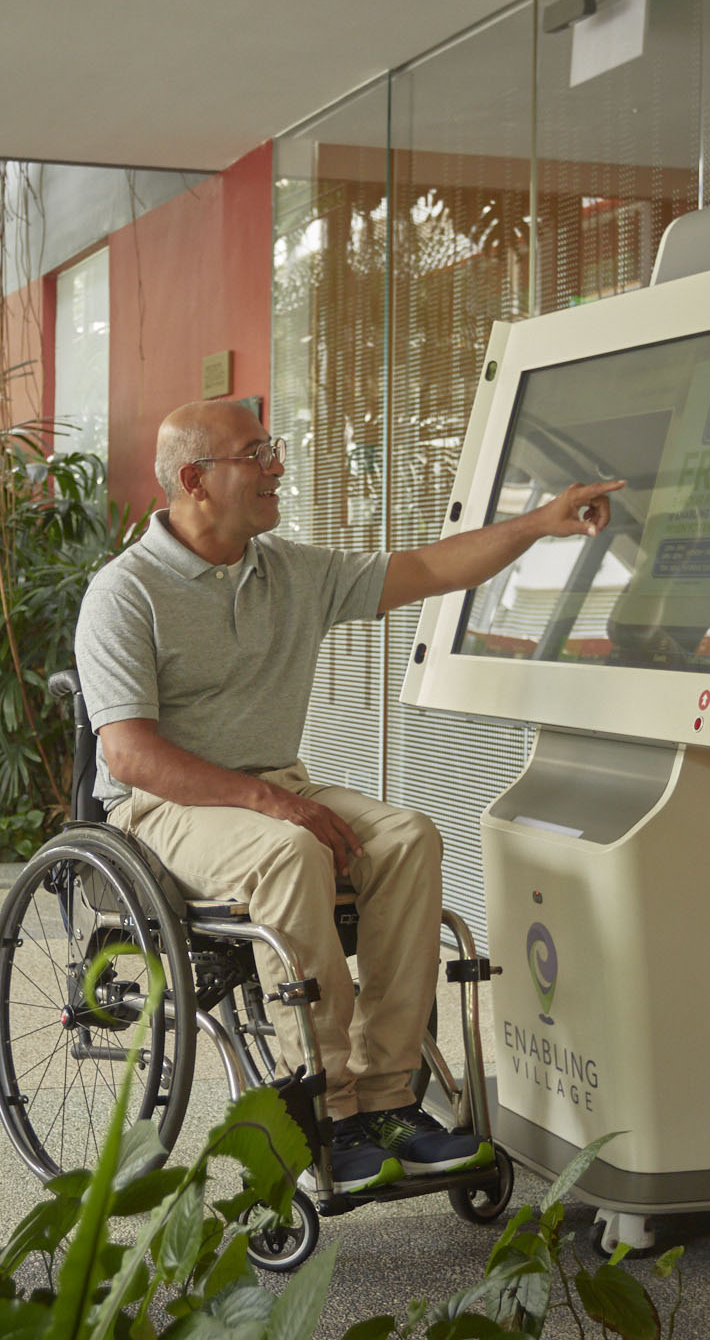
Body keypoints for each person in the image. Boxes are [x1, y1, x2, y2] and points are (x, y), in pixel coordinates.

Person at [75, 399, 621, 1194]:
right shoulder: (125, 594)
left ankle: (387, 1096)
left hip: (272, 790)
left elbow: (432, 568)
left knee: (406, 836)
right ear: (194, 479)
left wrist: (539, 523)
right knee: (292, 848)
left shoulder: (289, 571)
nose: (276, 467)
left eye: (272, 449)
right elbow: (129, 752)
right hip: (163, 810)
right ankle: (323, 1108)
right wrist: (272, 806)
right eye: (255, 454)